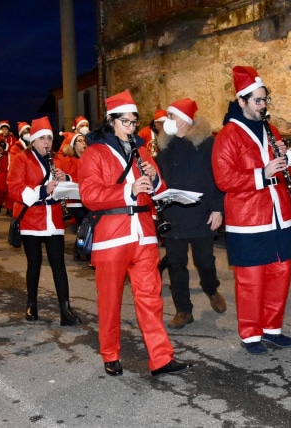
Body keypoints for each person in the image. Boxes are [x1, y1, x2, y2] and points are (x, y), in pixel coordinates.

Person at [78, 90, 191, 377]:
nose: (131, 128)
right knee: (110, 299)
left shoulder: (141, 152)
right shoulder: (95, 153)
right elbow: (90, 195)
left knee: (151, 298)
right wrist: (128, 190)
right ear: (111, 121)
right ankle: (110, 353)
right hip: (112, 236)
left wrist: (155, 182)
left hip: (144, 234)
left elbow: (160, 190)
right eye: (126, 122)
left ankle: (161, 358)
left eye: (133, 122)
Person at [211, 65, 291, 355]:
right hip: (248, 218)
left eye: (265, 100)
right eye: (257, 101)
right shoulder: (227, 135)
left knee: (280, 271)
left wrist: (284, 158)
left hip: (278, 214)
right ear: (242, 102)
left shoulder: (271, 130)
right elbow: (224, 179)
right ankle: (250, 334)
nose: (263, 106)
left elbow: (277, 169)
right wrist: (262, 173)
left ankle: (272, 329)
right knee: (251, 279)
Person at [155, 98, 225, 329]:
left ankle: (210, 287)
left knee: (204, 261)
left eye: (172, 116)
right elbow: (159, 178)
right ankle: (183, 310)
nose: (168, 120)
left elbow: (218, 178)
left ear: (185, 120)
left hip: (202, 213)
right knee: (176, 264)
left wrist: (218, 209)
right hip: (174, 214)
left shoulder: (208, 144)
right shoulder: (165, 146)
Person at [7, 117, 82, 326]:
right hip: (31, 219)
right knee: (35, 263)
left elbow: (75, 181)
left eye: (49, 138)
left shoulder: (56, 160)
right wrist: (42, 189)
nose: (47, 142)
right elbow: (14, 188)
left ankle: (65, 309)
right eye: (42, 139)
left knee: (59, 265)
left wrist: (65, 178)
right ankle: (31, 303)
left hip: (54, 218)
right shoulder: (22, 159)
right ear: (34, 140)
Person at [53, 131, 88, 229]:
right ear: (73, 145)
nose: (83, 143)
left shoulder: (89, 159)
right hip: (75, 203)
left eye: (84, 140)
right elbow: (72, 178)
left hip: (87, 200)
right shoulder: (69, 160)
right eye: (79, 141)